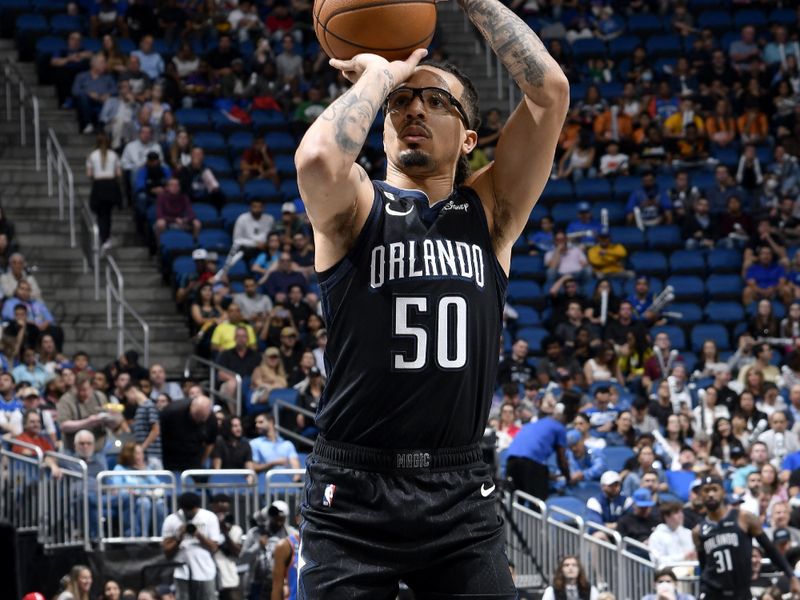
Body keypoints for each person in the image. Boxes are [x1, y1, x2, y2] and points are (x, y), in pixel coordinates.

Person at [294, 0, 569, 591]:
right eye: (401, 102)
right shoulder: (357, 207)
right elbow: (318, 157)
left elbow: (549, 91)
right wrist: (380, 74)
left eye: (436, 101)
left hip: (459, 495)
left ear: (469, 135)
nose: (414, 107)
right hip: (351, 495)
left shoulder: (490, 211)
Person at [693, 476, 800, 600]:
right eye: (706, 490)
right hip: (712, 592)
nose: (710, 494)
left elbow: (770, 550)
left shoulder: (744, 518)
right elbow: (704, 566)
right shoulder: (697, 531)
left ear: (723, 492)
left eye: (714, 489)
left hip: (740, 591)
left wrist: (791, 576)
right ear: (701, 495)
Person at [162, 492, 224, 600]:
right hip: (182, 572)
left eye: (192, 510)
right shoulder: (172, 520)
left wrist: (199, 535)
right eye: (186, 510)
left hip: (205, 571)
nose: (189, 512)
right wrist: (179, 537)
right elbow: (166, 551)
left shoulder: (209, 517)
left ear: (197, 506)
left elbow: (214, 547)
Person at [506, 403, 570, 500]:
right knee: (537, 502)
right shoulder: (559, 427)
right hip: (530, 463)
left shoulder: (530, 425)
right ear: (564, 418)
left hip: (511, 461)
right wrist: (568, 477)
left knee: (517, 500)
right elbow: (561, 460)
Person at [159, 395, 218, 473]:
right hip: (170, 455)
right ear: (191, 407)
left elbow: (210, 443)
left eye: (202, 418)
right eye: (197, 415)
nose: (198, 420)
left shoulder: (211, 419)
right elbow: (158, 434)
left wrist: (201, 462)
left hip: (194, 457)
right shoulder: (171, 411)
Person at [86, 133, 122, 251]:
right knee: (107, 214)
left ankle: (103, 238)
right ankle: (105, 237)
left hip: (99, 185)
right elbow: (118, 174)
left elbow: (89, 174)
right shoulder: (114, 155)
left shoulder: (92, 155)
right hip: (110, 185)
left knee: (101, 214)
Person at [210, 494, 244, 600]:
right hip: (209, 576)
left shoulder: (236, 529)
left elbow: (237, 552)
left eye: (224, 512)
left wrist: (225, 533)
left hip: (229, 578)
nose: (222, 516)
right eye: (219, 512)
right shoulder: (207, 528)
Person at [648, 501, 697, 567]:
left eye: (681, 512)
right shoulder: (656, 536)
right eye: (676, 513)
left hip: (691, 571)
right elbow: (657, 560)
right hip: (669, 573)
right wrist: (683, 557)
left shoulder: (688, 533)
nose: (681, 515)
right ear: (666, 517)